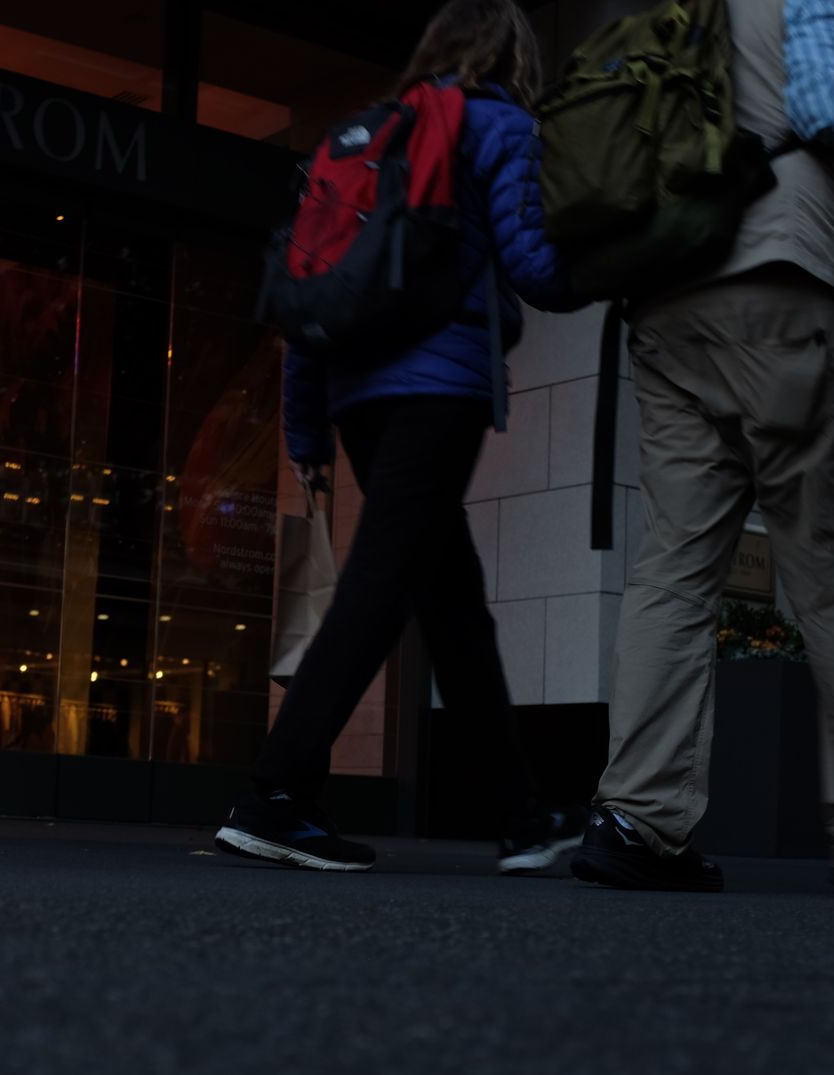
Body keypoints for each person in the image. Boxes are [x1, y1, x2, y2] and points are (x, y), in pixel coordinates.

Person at [572, 0, 834, 897]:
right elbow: (823, 106)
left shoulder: (672, 11)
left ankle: (638, 820)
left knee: (674, 569)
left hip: (665, 303)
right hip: (781, 284)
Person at [216, 0, 582, 875]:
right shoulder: (498, 127)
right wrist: (622, 262)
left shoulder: (357, 136)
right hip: (439, 390)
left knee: (451, 599)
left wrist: (306, 426)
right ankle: (274, 795)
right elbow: (534, 267)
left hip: (357, 400)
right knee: (382, 587)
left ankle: (521, 819)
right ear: (510, 54)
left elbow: (307, 295)